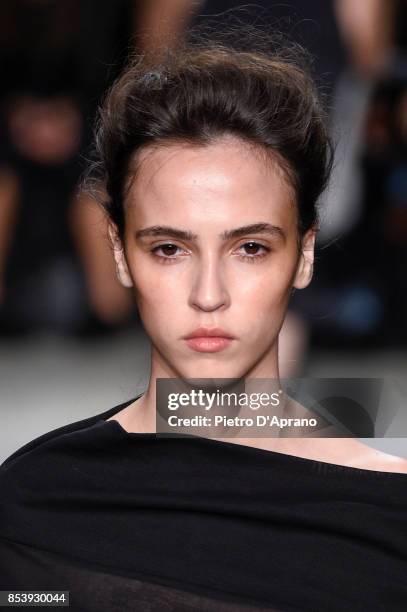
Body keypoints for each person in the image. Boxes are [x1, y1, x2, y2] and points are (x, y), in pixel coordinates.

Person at [1, 27, 406, 612]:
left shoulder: (386, 508)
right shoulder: (41, 496)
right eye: (169, 248)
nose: (208, 294)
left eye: (251, 248)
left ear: (305, 254)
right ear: (120, 253)